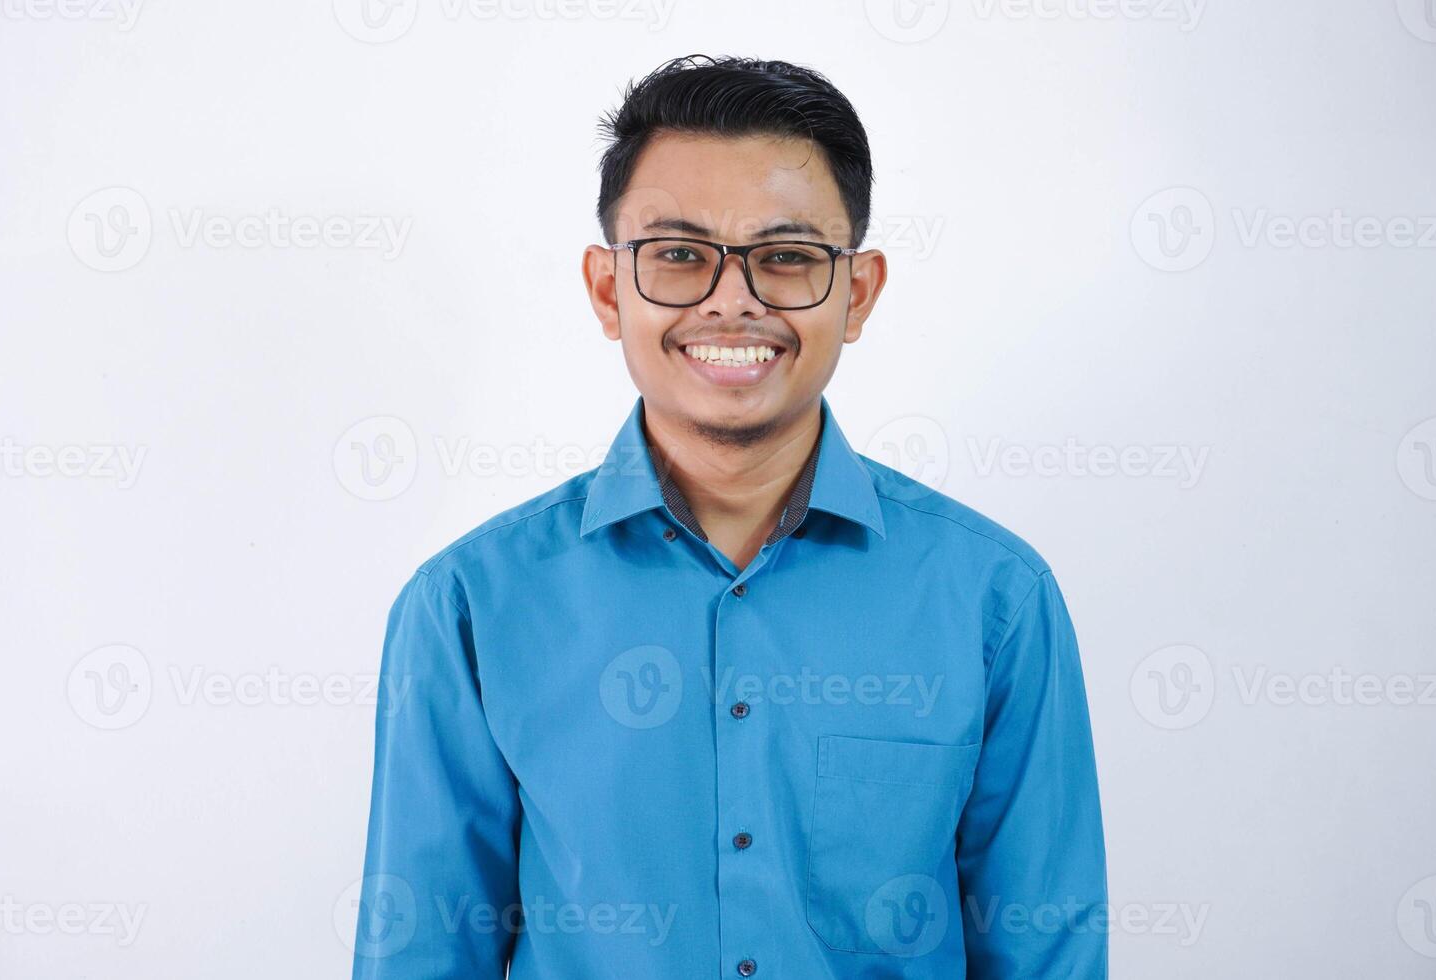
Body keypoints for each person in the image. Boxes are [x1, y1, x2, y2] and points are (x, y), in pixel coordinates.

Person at [351, 53, 1107, 979]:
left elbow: (1045, 954)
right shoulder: (468, 607)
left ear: (857, 293)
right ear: (605, 288)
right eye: (678, 255)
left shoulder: (995, 601)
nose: (731, 299)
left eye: (787, 257)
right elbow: (425, 954)